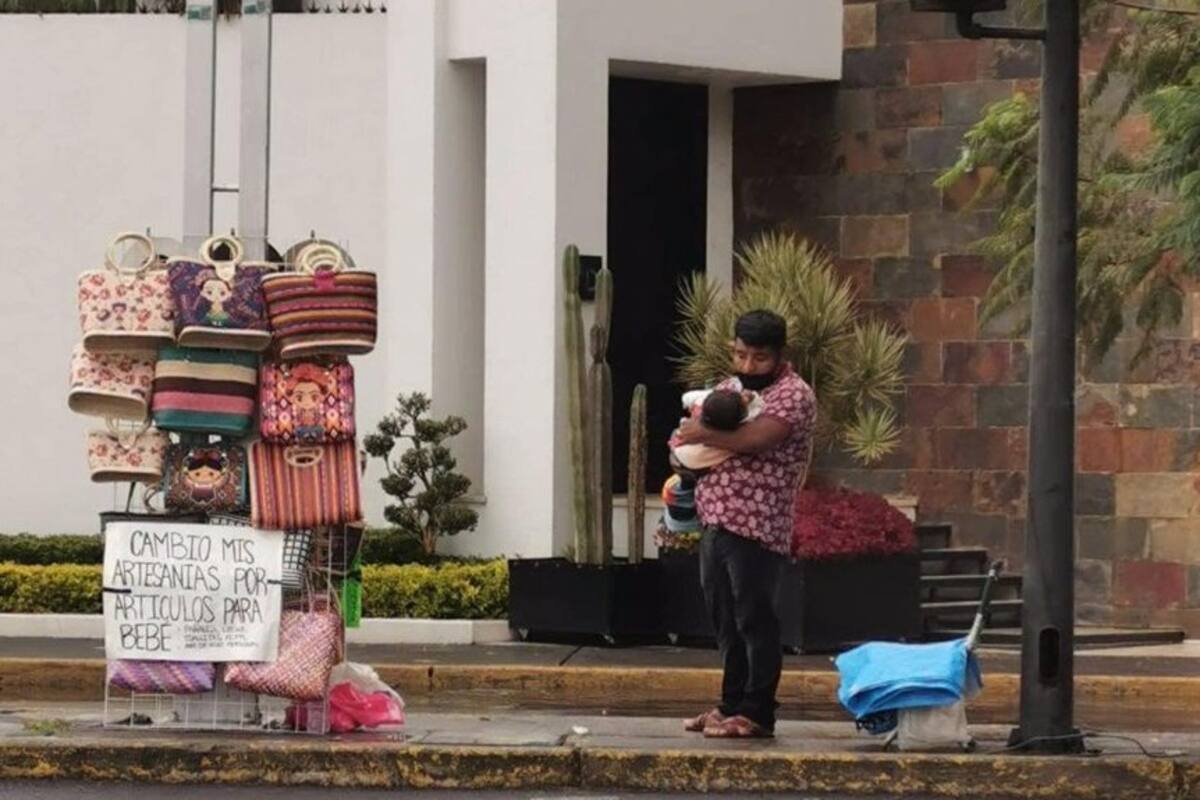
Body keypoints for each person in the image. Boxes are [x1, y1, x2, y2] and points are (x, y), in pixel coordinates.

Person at [675, 309, 816, 739]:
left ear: (779, 355)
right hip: (714, 520)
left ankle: (758, 711)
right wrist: (687, 447)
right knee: (725, 621)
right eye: (740, 355)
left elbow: (756, 440)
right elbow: (679, 438)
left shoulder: (794, 394)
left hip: (757, 525)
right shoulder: (728, 389)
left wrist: (702, 437)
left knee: (754, 618)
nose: (748, 367)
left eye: (759, 359)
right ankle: (729, 703)